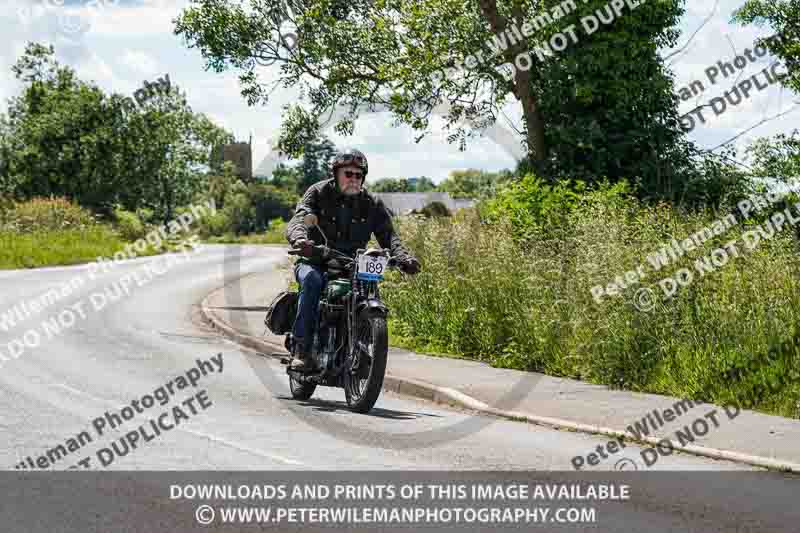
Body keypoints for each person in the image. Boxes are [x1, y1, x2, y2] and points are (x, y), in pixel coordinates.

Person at [285, 148, 421, 370]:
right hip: (315, 260)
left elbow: (389, 236)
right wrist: (300, 240)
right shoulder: (318, 192)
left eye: (358, 175)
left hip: (353, 264)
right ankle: (302, 348)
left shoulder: (371, 202)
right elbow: (300, 217)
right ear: (336, 173)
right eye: (348, 174)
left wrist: (403, 257)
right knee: (312, 281)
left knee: (368, 289)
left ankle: (362, 343)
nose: (353, 179)